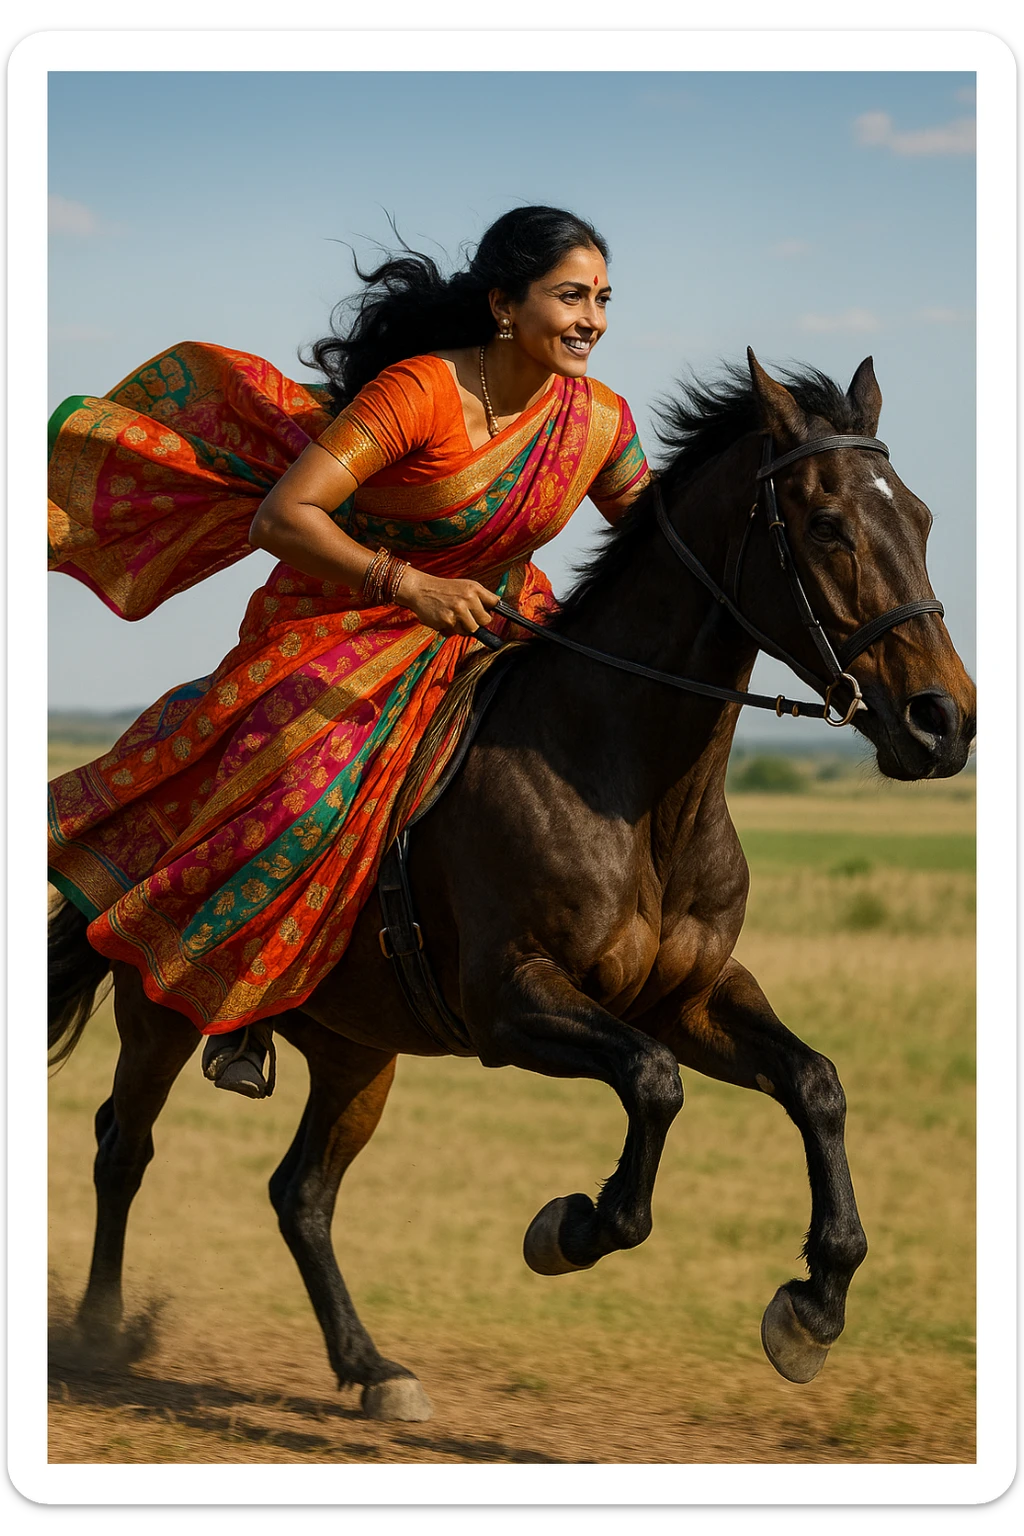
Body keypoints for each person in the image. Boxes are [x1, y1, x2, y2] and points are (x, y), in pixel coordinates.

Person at [47, 205, 653, 1099]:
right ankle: (240, 996)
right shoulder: (418, 393)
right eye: (571, 296)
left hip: (499, 621)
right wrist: (410, 586)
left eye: (603, 299)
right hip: (350, 616)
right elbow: (283, 517)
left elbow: (653, 545)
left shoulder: (599, 420)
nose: (591, 319)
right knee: (298, 785)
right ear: (503, 305)